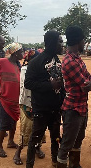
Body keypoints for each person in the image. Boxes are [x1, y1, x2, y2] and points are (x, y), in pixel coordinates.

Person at [57, 26, 91, 168]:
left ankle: (75, 165)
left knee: (78, 140)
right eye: (83, 40)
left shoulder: (77, 59)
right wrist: (90, 83)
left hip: (81, 106)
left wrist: (90, 82)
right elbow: (85, 83)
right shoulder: (70, 61)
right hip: (72, 108)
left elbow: (89, 79)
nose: (84, 42)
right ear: (78, 41)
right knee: (67, 143)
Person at [24, 30, 65, 168]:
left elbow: (61, 83)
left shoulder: (58, 60)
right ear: (52, 43)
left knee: (55, 138)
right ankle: (29, 165)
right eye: (60, 41)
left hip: (55, 108)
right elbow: (28, 83)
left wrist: (62, 101)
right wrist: (50, 85)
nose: (62, 44)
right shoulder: (36, 62)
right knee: (35, 139)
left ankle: (55, 161)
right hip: (41, 109)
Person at [0, 42, 23, 158]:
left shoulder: (18, 65)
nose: (23, 54)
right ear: (15, 53)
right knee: (4, 123)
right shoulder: (2, 62)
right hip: (4, 99)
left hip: (15, 100)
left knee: (13, 121)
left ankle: (10, 141)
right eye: (21, 51)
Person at [13, 49, 46, 165]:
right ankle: (18, 152)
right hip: (27, 103)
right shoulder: (25, 70)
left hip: (38, 103)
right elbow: (28, 86)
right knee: (26, 128)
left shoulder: (40, 69)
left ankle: (37, 147)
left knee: (39, 127)